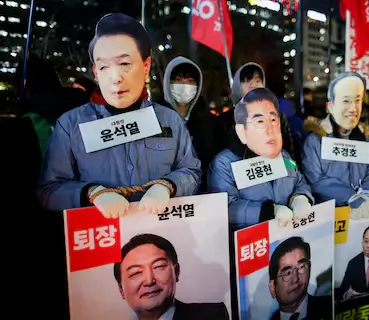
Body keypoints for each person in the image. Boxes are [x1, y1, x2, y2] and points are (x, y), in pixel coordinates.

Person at [37, 13, 201, 217]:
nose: (115, 78)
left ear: (146, 66)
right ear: (95, 73)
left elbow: (192, 171)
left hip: (161, 235)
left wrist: (169, 186)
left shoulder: (169, 120)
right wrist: (90, 193)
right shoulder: (70, 125)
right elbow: (48, 191)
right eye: (104, 67)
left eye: (124, 64)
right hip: (102, 238)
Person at [208, 88, 313, 230]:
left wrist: (300, 197)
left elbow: (299, 181)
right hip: (252, 243)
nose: (269, 129)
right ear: (241, 130)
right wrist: (268, 211)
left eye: (273, 120)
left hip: (288, 237)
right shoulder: (224, 164)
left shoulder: (284, 156)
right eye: (259, 121)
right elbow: (224, 208)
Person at [302, 72, 369, 219]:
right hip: (328, 216)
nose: (353, 109)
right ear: (330, 106)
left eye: (357, 101)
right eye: (346, 101)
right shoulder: (316, 141)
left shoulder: (366, 141)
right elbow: (315, 179)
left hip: (361, 215)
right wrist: (350, 197)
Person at [114, 233, 229, 320]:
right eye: (136, 273)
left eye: (158, 266)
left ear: (176, 271)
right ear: (121, 290)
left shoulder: (211, 316)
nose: (149, 281)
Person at [160, 56, 222, 191]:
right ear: (167, 82)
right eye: (178, 80)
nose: (184, 86)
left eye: (190, 81)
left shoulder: (211, 123)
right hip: (164, 194)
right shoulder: (154, 120)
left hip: (205, 195)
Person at [218, 63, 295, 160]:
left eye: (257, 80)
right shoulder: (225, 120)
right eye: (247, 80)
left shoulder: (278, 116)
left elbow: (288, 152)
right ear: (238, 86)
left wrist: (289, 169)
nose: (253, 85)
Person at [268, 237, 332, 320]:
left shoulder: (330, 306)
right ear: (272, 287)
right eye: (288, 273)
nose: (295, 279)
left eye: (301, 267)